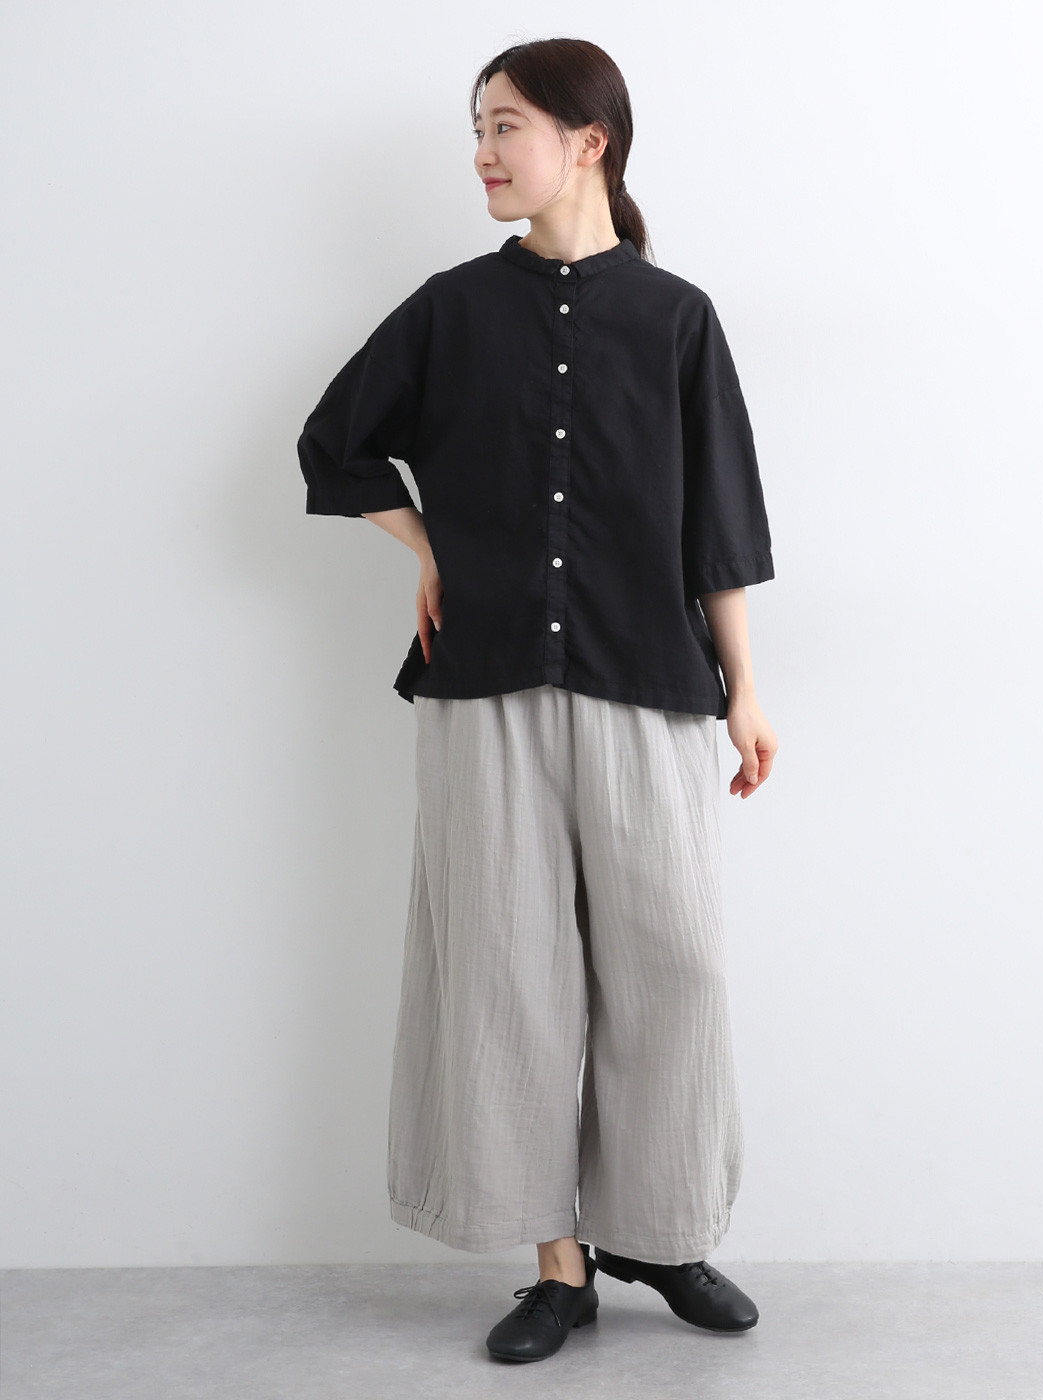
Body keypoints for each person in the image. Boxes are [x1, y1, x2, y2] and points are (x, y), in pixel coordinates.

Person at [297, 37, 779, 1363]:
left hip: (649, 684)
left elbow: (720, 521)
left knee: (674, 967)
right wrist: (428, 547)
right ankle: (556, 1268)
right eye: (478, 128)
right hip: (487, 688)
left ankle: (658, 1232)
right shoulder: (452, 311)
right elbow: (333, 443)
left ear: (588, 140)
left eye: (505, 125)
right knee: (507, 977)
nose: (483, 153)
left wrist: (746, 689)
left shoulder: (676, 319)